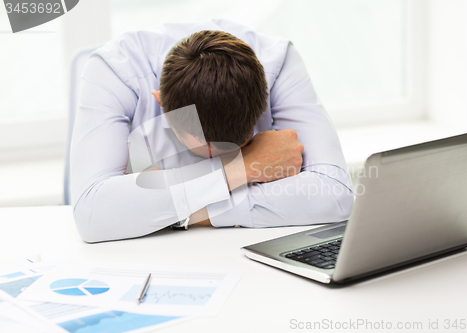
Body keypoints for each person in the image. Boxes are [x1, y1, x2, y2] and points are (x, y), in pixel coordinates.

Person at [71, 19, 353, 243]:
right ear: (162, 106)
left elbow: (336, 195)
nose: (213, 157)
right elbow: (92, 212)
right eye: (202, 149)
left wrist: (180, 213)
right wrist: (243, 166)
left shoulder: (278, 63)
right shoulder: (113, 71)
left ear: (264, 102)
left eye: (239, 147)